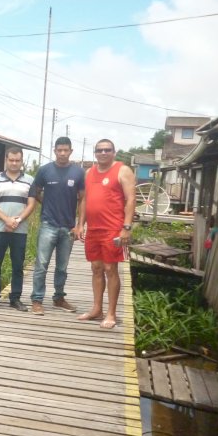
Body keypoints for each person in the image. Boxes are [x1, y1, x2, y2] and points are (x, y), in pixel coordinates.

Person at [76, 139, 136, 329]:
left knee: (111, 269)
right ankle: (96, 309)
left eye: (107, 150)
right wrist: (80, 224)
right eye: (99, 150)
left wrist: (126, 227)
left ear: (114, 152)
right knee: (96, 268)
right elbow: (85, 200)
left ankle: (111, 313)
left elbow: (131, 199)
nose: (103, 153)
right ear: (95, 153)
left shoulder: (122, 170)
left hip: (113, 228)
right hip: (94, 229)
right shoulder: (89, 172)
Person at [28, 137, 85, 315]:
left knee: (62, 267)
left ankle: (59, 298)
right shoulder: (45, 170)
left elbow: (83, 199)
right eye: (59, 150)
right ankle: (37, 299)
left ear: (70, 151)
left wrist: (80, 225)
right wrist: (47, 203)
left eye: (65, 150)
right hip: (48, 224)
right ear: (54, 151)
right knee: (42, 264)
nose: (62, 153)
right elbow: (35, 191)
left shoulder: (78, 172)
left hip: (68, 227)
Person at [0, 147, 36, 311]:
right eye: (11, 160)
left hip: (19, 230)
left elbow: (31, 204)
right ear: (6, 160)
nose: (14, 163)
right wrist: (6, 220)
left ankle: (15, 298)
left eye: (17, 160)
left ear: (22, 161)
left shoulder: (30, 180)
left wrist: (17, 220)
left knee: (18, 265)